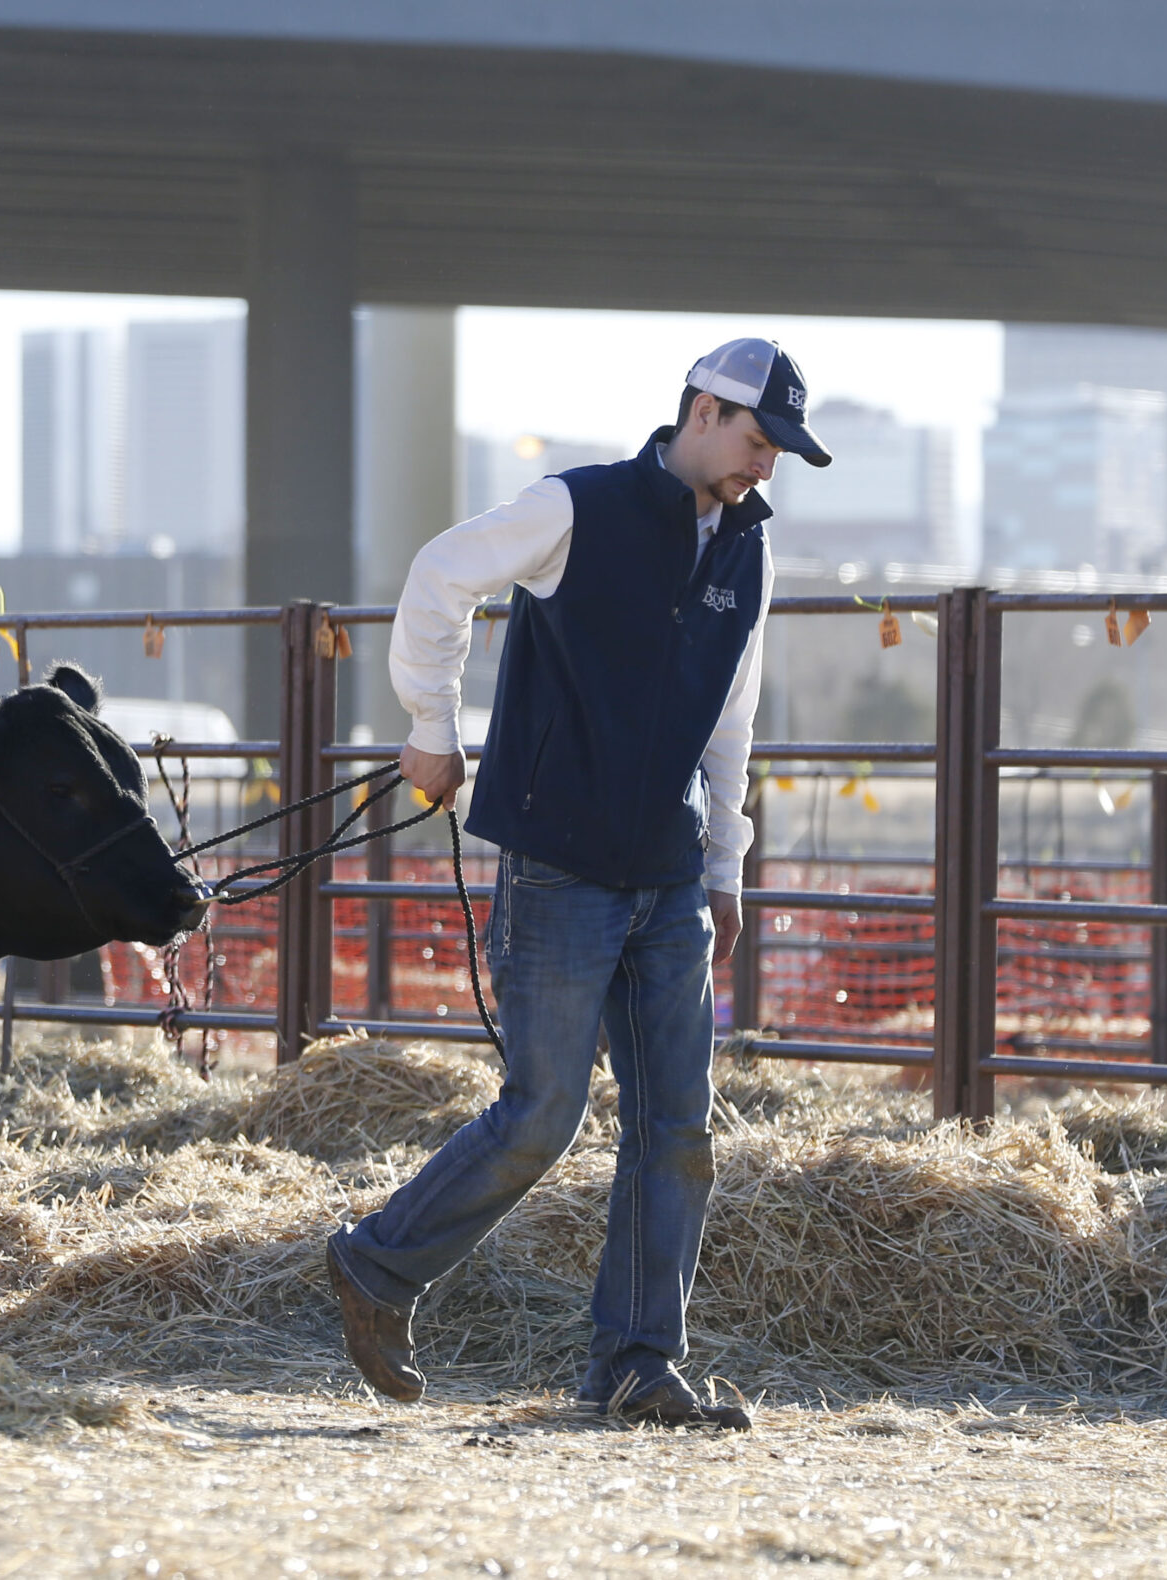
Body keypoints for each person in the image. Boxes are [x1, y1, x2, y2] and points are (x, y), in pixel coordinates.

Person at [325, 339, 832, 1430]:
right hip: (559, 862)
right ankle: (377, 1264)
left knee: (678, 1129)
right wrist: (430, 727)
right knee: (542, 1113)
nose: (766, 467)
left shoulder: (750, 552)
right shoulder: (575, 507)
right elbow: (440, 574)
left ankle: (637, 1363)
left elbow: (731, 716)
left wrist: (725, 862)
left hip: (669, 872)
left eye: (780, 452)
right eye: (757, 441)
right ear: (702, 411)